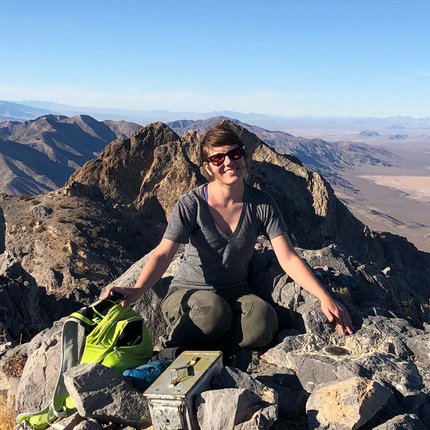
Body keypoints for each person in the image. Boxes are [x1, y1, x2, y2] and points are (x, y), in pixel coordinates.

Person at [102, 126, 353, 353]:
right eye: (217, 158)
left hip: (236, 291)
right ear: (207, 166)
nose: (228, 163)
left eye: (234, 154)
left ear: (244, 157)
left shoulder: (262, 204)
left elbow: (287, 257)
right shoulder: (191, 204)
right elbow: (164, 253)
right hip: (190, 291)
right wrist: (136, 291)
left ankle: (212, 352)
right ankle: (173, 348)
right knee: (213, 314)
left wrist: (324, 296)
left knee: (263, 321)